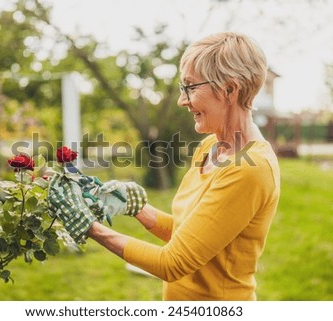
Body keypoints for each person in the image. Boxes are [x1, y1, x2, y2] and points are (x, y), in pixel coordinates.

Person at [48, 31, 280, 301]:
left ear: (229, 89)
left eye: (190, 87)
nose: (183, 100)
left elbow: (173, 263)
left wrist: (89, 227)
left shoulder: (249, 168)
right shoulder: (210, 146)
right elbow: (191, 236)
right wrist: (137, 208)